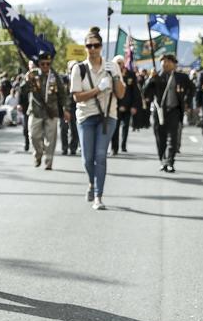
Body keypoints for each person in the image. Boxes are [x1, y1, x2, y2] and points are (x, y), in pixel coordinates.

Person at [71, 27, 124, 210]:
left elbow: (120, 94)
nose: (93, 48)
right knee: (87, 158)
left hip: (108, 115)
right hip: (86, 115)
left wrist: (116, 76)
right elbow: (77, 97)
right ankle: (91, 183)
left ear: (101, 46)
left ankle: (98, 196)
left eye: (96, 45)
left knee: (100, 155)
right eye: (89, 45)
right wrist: (98, 89)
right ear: (85, 47)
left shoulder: (112, 66)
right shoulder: (79, 69)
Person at [143, 53, 194, 174]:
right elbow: (145, 93)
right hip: (159, 112)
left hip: (174, 110)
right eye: (163, 62)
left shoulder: (181, 77)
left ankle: (170, 162)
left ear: (174, 63)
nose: (165, 64)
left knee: (173, 138)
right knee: (160, 138)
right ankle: (162, 160)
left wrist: (187, 101)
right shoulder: (157, 76)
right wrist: (150, 79)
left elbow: (192, 89)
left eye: (167, 62)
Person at [26, 51, 69, 170]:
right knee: (34, 136)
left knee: (51, 139)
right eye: (43, 64)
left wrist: (66, 109)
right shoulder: (32, 74)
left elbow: (62, 94)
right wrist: (27, 80)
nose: (45, 66)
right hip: (36, 110)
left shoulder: (55, 76)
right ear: (38, 63)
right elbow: (24, 90)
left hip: (51, 111)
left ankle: (48, 161)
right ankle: (38, 153)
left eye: (48, 64)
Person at [110, 55, 142, 155]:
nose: (120, 65)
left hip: (128, 106)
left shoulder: (130, 74)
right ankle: (114, 148)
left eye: (121, 62)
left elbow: (135, 92)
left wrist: (134, 106)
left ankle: (123, 146)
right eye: (118, 63)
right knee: (114, 128)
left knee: (126, 126)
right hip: (115, 106)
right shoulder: (111, 74)